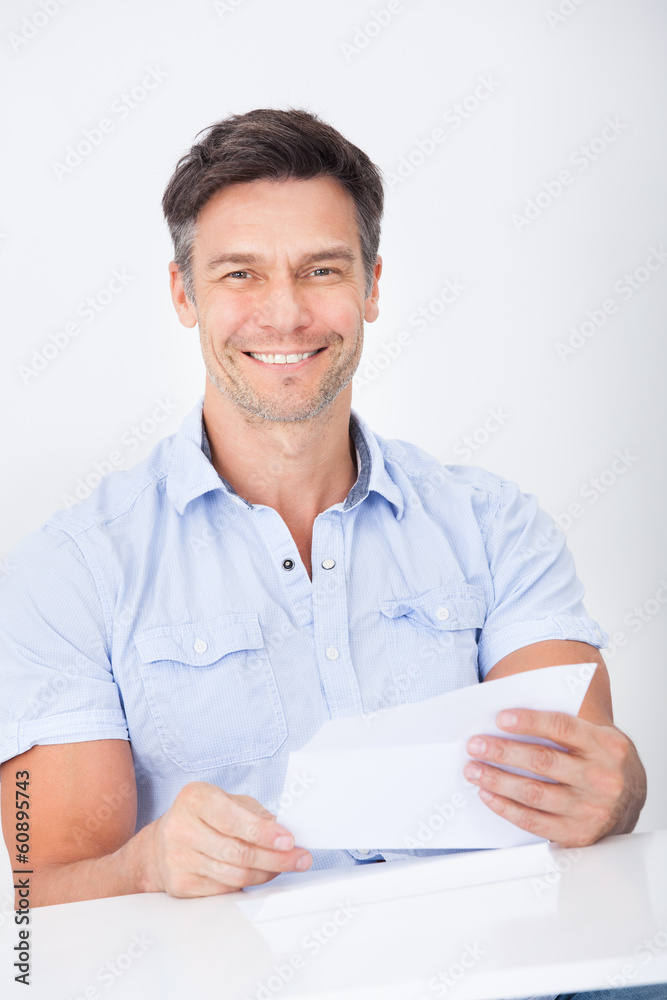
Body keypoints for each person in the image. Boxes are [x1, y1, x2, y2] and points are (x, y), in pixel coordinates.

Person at [1, 104, 658, 1000]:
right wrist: (146, 863)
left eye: (322, 269)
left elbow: (583, 782)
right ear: (183, 292)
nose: (285, 312)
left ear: (373, 287)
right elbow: (43, 889)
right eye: (239, 273)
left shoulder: (494, 525)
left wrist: (615, 794)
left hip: (497, 977)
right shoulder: (71, 571)